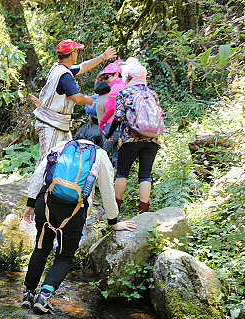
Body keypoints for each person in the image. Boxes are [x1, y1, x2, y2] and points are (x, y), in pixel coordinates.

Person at [21, 123, 137, 314]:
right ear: (99, 140)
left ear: (78, 134)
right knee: (65, 256)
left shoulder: (62, 146)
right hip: (74, 211)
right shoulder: (99, 154)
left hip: (46, 203)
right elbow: (107, 190)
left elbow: (39, 173)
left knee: (41, 248)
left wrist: (30, 203)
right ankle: (44, 296)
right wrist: (114, 222)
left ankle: (28, 294)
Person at [31, 39, 117, 164]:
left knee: (64, 158)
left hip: (58, 124)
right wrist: (88, 100)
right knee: (46, 161)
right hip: (51, 124)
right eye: (76, 51)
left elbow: (83, 67)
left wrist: (103, 57)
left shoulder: (58, 68)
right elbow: (77, 98)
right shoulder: (65, 75)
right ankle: (39, 184)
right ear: (72, 54)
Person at [105, 64, 162, 214]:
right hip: (152, 140)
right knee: (145, 174)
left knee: (122, 172)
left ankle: (115, 208)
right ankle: (143, 211)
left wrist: (109, 133)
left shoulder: (125, 92)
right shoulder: (153, 94)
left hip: (129, 139)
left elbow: (118, 117)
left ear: (129, 78)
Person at [98, 61, 128, 167]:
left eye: (107, 77)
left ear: (116, 74)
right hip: (121, 126)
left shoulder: (116, 87)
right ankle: (117, 179)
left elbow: (112, 108)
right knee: (117, 156)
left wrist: (102, 122)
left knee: (99, 153)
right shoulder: (123, 86)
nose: (106, 80)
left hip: (113, 125)